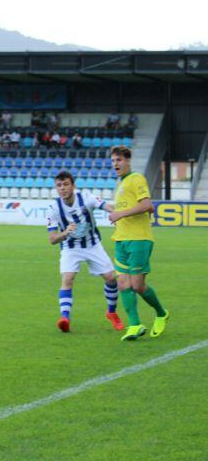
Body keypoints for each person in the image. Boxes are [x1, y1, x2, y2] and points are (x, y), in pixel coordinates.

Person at [46, 171, 123, 333]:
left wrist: (117, 214)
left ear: (73, 186)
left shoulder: (87, 198)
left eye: (66, 184)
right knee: (67, 278)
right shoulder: (53, 208)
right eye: (59, 186)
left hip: (92, 244)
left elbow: (107, 206)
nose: (63, 188)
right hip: (70, 247)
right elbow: (53, 239)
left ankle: (111, 312)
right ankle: (65, 318)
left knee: (111, 278)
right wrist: (65, 233)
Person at [106, 146, 169, 341]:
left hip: (139, 239)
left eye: (119, 160)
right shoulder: (122, 184)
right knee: (123, 283)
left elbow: (147, 205)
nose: (115, 164)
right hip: (121, 239)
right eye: (113, 161)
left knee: (138, 285)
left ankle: (161, 313)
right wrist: (117, 216)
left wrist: (120, 213)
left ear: (128, 160)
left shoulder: (136, 179)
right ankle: (134, 325)